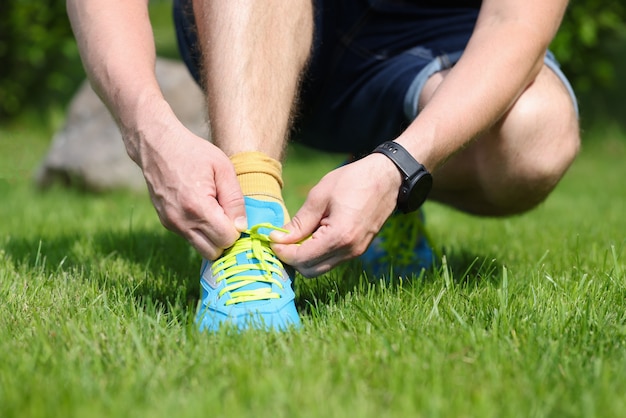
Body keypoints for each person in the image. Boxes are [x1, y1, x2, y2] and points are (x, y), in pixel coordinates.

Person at [66, 0, 580, 331]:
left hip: (438, 38)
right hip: (252, 21)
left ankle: (374, 176)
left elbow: (517, 21)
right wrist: (146, 129)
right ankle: (247, 242)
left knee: (538, 134)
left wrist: (397, 167)